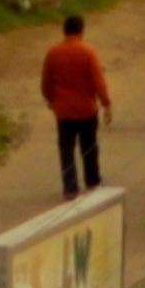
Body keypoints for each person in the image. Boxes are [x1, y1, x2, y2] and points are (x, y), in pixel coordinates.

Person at [39, 11, 113, 192]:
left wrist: (51, 100)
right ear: (81, 31)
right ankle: (92, 181)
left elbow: (46, 82)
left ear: (64, 31)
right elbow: (98, 81)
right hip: (86, 110)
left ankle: (70, 186)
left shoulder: (53, 53)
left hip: (63, 112)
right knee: (89, 147)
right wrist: (106, 104)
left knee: (66, 150)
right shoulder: (88, 52)